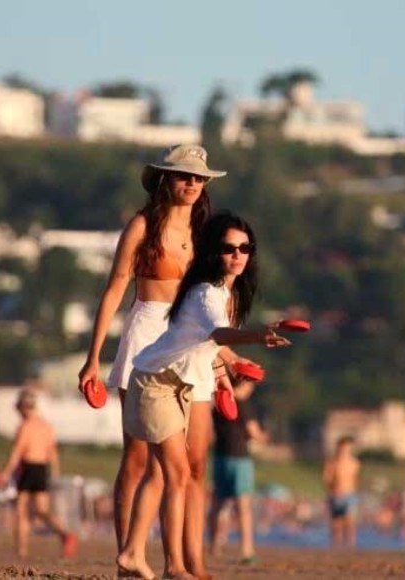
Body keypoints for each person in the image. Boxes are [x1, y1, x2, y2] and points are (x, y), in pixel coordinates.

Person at [115, 211, 291, 580]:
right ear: (214, 252)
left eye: (245, 248)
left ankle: (132, 553)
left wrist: (229, 367)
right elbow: (219, 334)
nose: (238, 255)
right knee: (176, 474)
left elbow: (206, 344)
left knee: (160, 475)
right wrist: (259, 335)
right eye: (229, 248)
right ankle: (175, 567)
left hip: (174, 384)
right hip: (154, 383)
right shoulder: (206, 293)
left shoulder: (224, 292)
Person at [76, 144, 225, 566]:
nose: (192, 183)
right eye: (184, 176)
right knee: (140, 456)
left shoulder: (206, 234)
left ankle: (186, 561)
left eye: (199, 178)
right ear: (164, 179)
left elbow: (213, 301)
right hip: (146, 331)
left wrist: (223, 359)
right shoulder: (142, 226)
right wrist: (93, 357)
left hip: (189, 336)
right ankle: (129, 554)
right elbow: (114, 289)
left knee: (192, 460)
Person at [0, 388, 77, 559]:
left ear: (22, 407)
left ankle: (21, 550)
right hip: (42, 469)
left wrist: (6, 473)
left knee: (21, 510)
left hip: (28, 467)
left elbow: (17, 452)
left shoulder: (24, 427)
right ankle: (65, 534)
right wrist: (55, 474)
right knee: (42, 510)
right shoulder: (46, 427)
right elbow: (52, 453)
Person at [207, 376, 268, 563]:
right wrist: (264, 437)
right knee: (243, 507)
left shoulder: (218, 404)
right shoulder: (243, 404)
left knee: (218, 504)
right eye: (251, 384)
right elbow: (253, 432)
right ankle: (246, 550)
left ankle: (214, 546)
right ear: (244, 384)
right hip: (240, 458)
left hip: (219, 457)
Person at [323, 435, 360, 548]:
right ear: (338, 448)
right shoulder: (332, 462)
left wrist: (356, 492)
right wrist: (332, 489)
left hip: (350, 494)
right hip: (336, 495)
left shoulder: (354, 463)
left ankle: (350, 546)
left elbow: (356, 478)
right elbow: (326, 479)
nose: (345, 450)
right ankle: (337, 547)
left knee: (350, 523)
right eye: (344, 447)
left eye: (348, 448)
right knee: (336, 524)